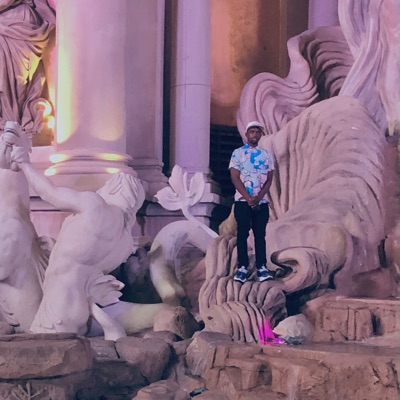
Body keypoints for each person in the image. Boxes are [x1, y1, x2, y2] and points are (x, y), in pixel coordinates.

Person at [9, 128, 146, 336]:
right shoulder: (125, 242)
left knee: (46, 353)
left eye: (107, 185)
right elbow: (85, 261)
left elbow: (50, 193)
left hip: (59, 303)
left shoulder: (94, 205)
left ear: (115, 188)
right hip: (82, 307)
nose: (102, 189)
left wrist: (25, 164)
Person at [229, 121, 275, 283]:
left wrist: (259, 197)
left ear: (261, 135)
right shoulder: (238, 153)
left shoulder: (265, 155)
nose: (255, 134)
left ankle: (261, 267)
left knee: (260, 235)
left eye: (257, 132)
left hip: (261, 203)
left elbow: (269, 179)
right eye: (252, 131)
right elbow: (235, 177)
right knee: (242, 233)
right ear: (246, 134)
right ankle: (242, 267)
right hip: (243, 201)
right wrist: (248, 198)